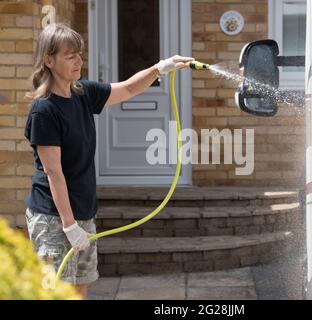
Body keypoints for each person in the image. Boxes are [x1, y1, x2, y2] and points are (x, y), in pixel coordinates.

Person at [24, 23, 194, 299]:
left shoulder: (82, 94)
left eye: (79, 54)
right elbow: (53, 172)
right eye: (71, 56)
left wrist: (160, 68)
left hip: (82, 211)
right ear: (49, 60)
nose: (79, 60)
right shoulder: (45, 110)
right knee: (55, 292)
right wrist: (69, 225)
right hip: (53, 217)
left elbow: (127, 89)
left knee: (80, 287)